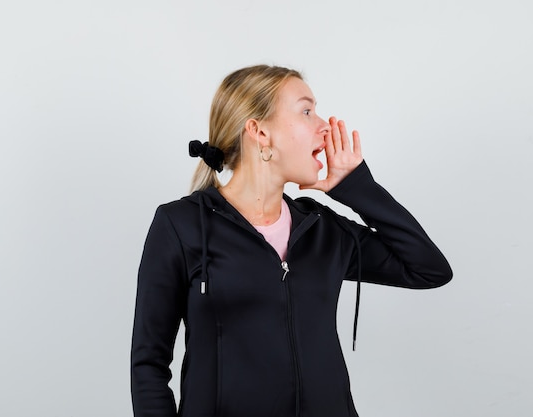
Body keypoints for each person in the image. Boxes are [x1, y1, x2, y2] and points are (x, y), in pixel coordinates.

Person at [130, 65, 453, 417]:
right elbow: (149, 364)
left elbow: (429, 269)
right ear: (260, 132)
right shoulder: (181, 225)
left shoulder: (321, 228)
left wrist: (358, 189)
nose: (325, 125)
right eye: (306, 111)